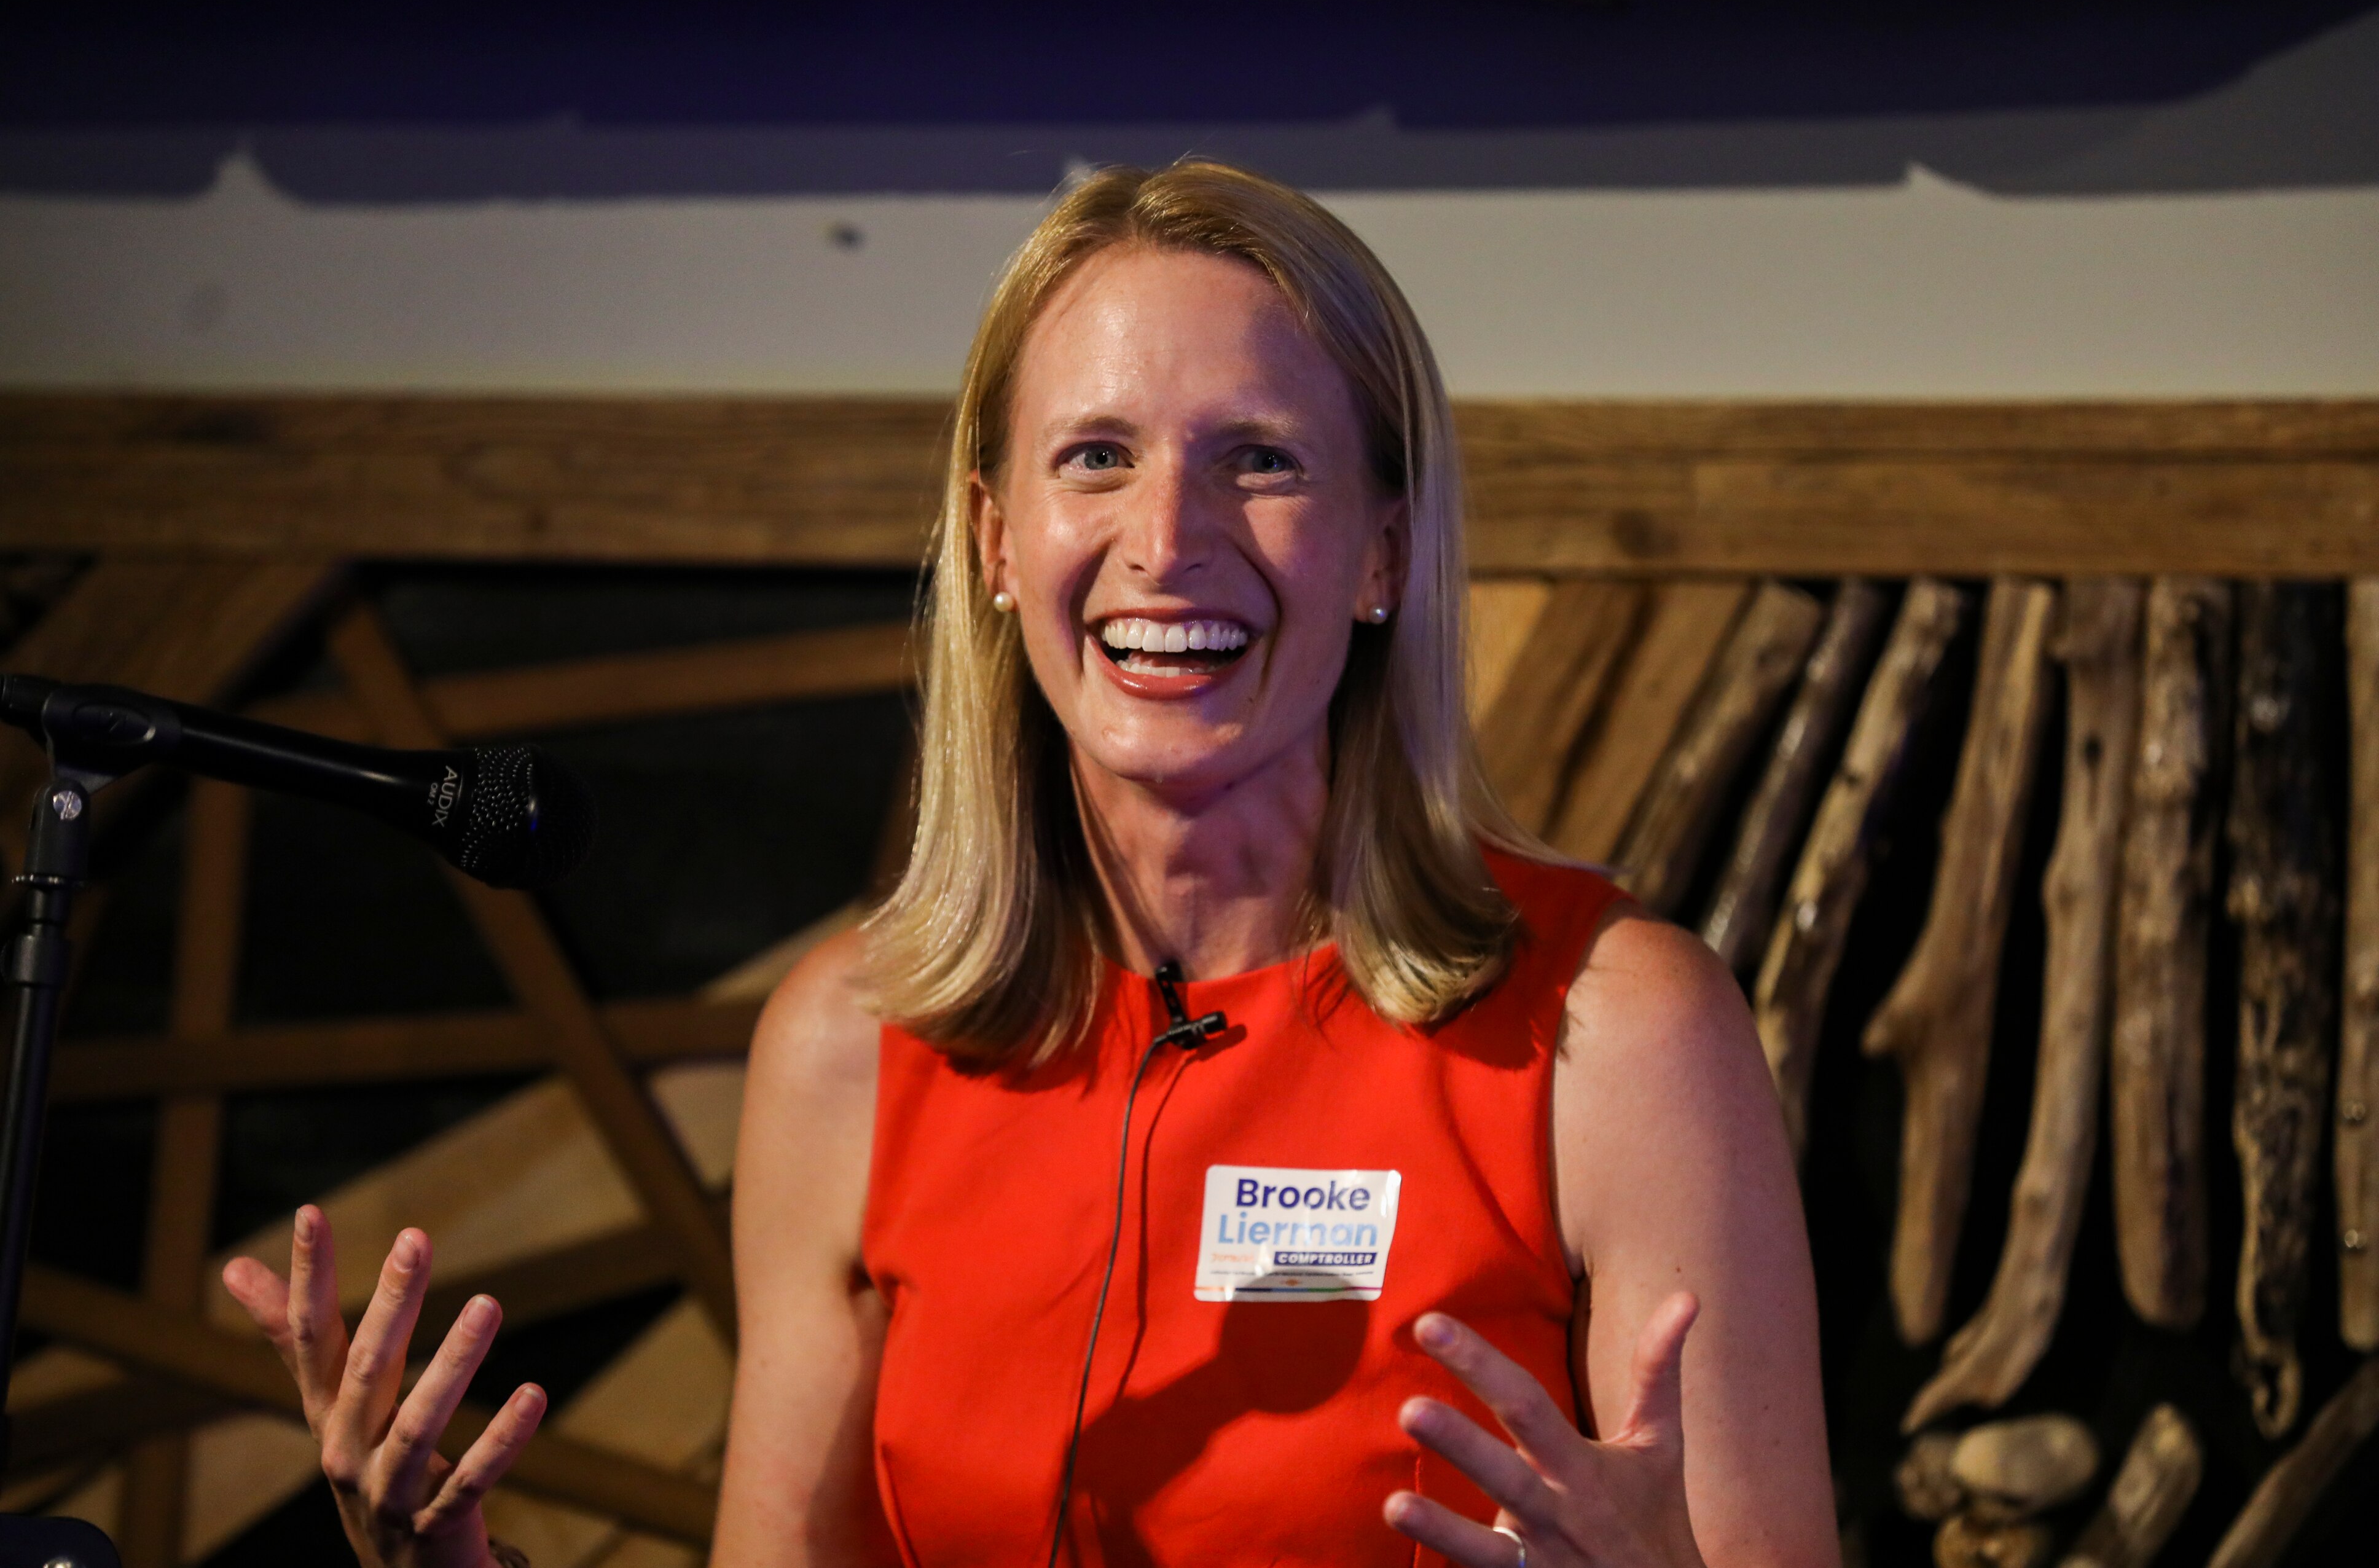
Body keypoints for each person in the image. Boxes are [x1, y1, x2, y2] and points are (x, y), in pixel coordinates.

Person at [224, 160, 1835, 1568]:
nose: (1167, 538)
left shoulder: (1613, 1034)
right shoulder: (848, 1048)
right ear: (996, 542)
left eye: (1259, 459)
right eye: (1096, 457)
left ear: (1388, 555)